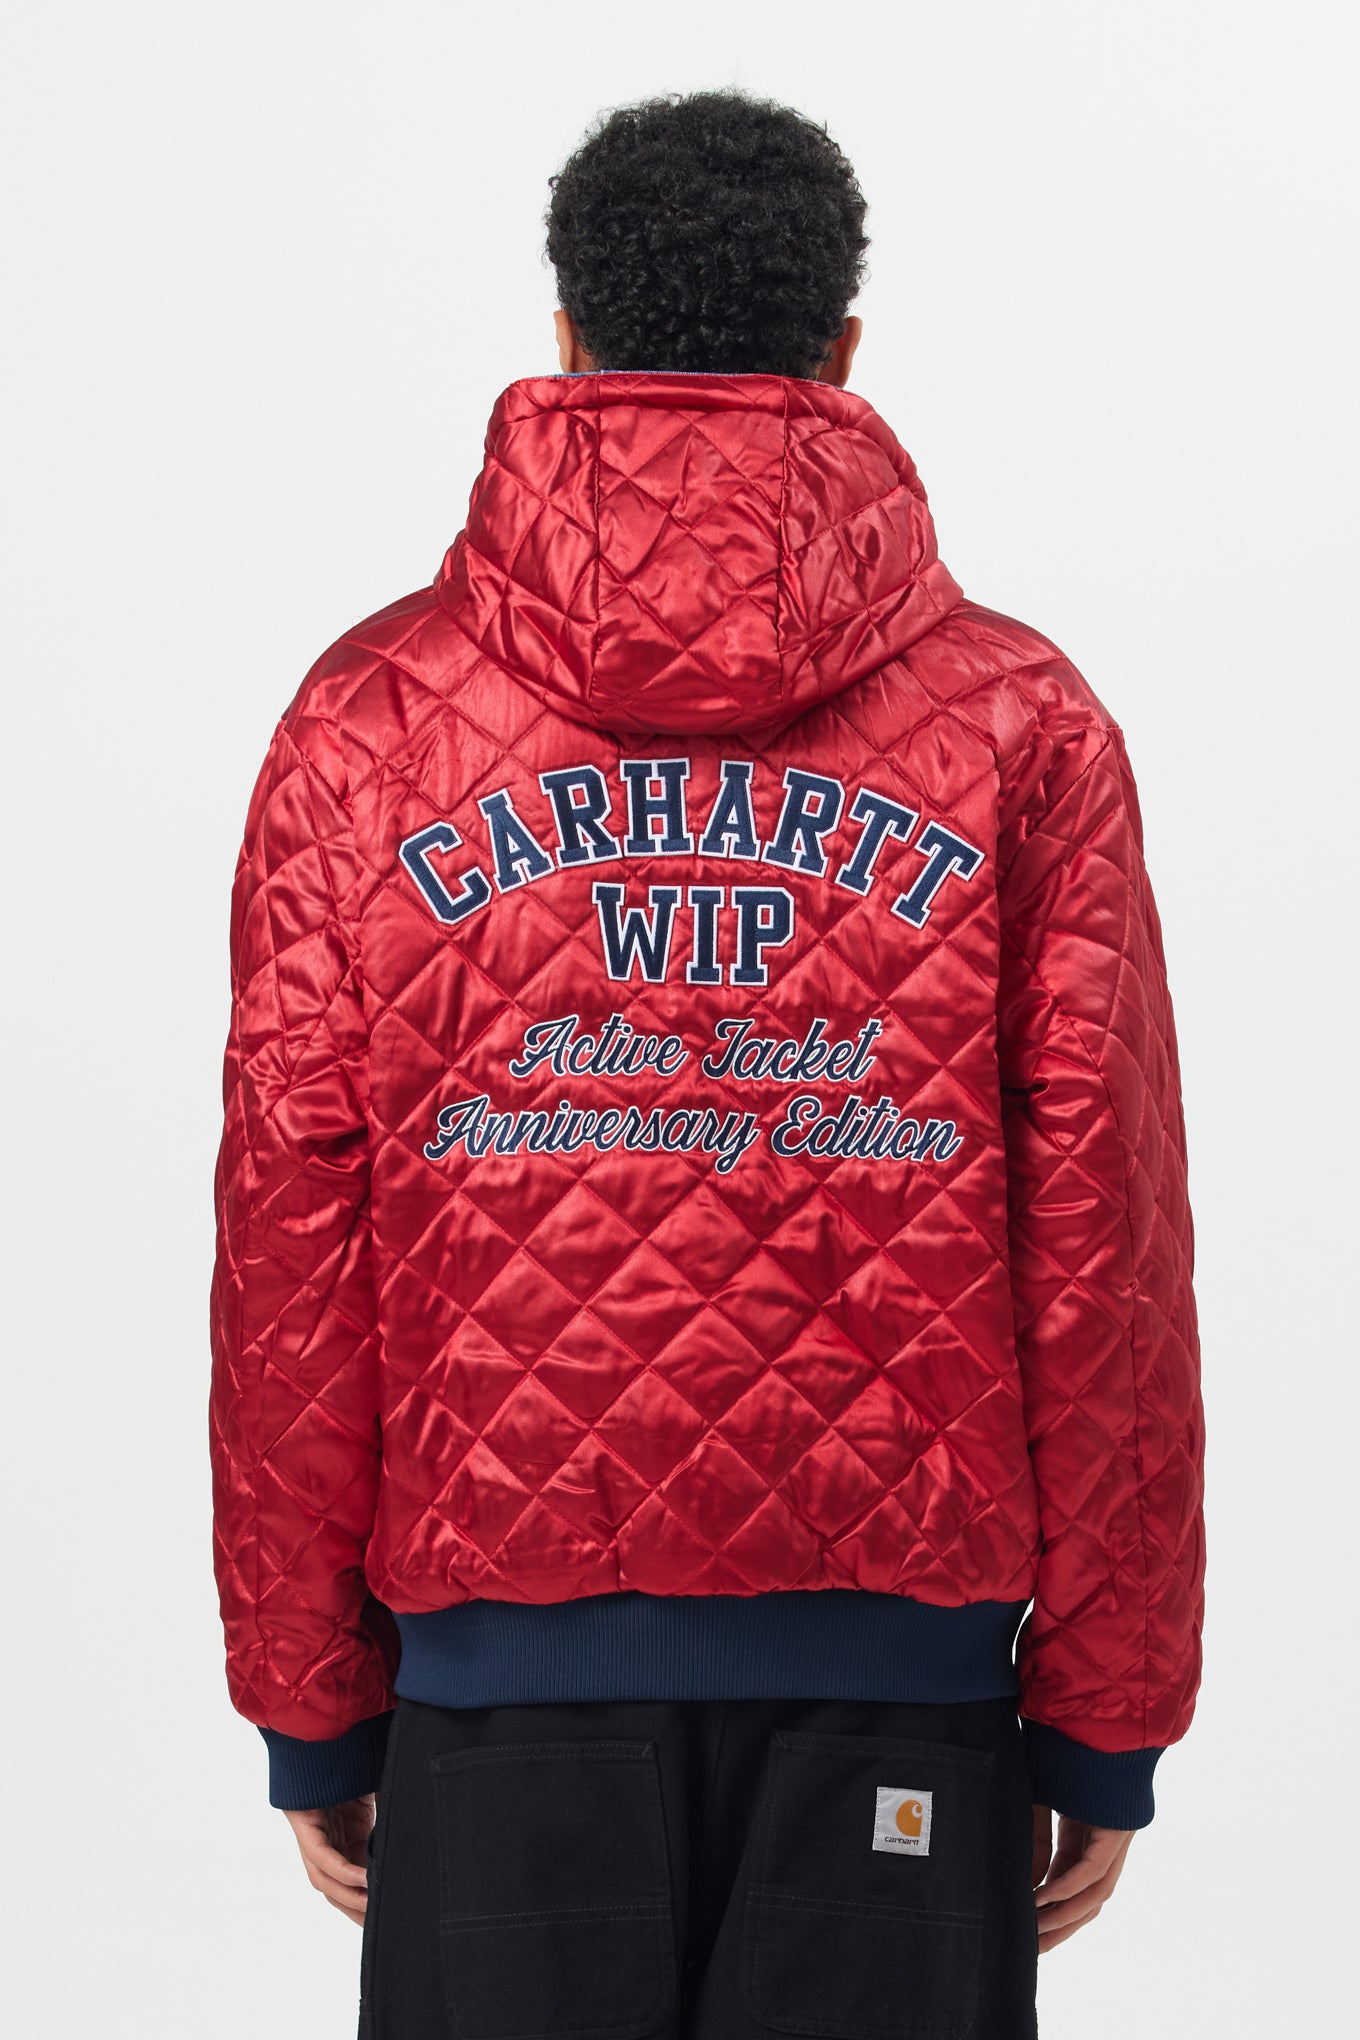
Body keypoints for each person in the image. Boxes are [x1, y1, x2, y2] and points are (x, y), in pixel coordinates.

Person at [210, 88, 1205, 2040]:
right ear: (842, 350)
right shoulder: (1021, 723)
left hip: (494, 1681)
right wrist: (1105, 1709)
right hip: (904, 1688)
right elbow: (1103, 1252)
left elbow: (289, 1231)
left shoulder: (370, 723)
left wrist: (309, 1695)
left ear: (565, 338)